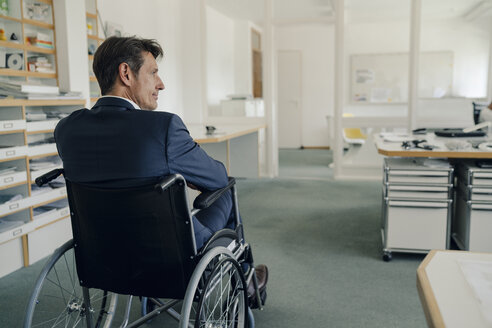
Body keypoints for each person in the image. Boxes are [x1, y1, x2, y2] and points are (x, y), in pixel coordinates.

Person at [54, 36, 267, 304]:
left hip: (102, 255)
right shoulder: (163, 128)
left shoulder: (67, 129)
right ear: (126, 73)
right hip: (168, 256)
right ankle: (247, 280)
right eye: (153, 73)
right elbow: (217, 177)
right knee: (227, 188)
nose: (161, 84)